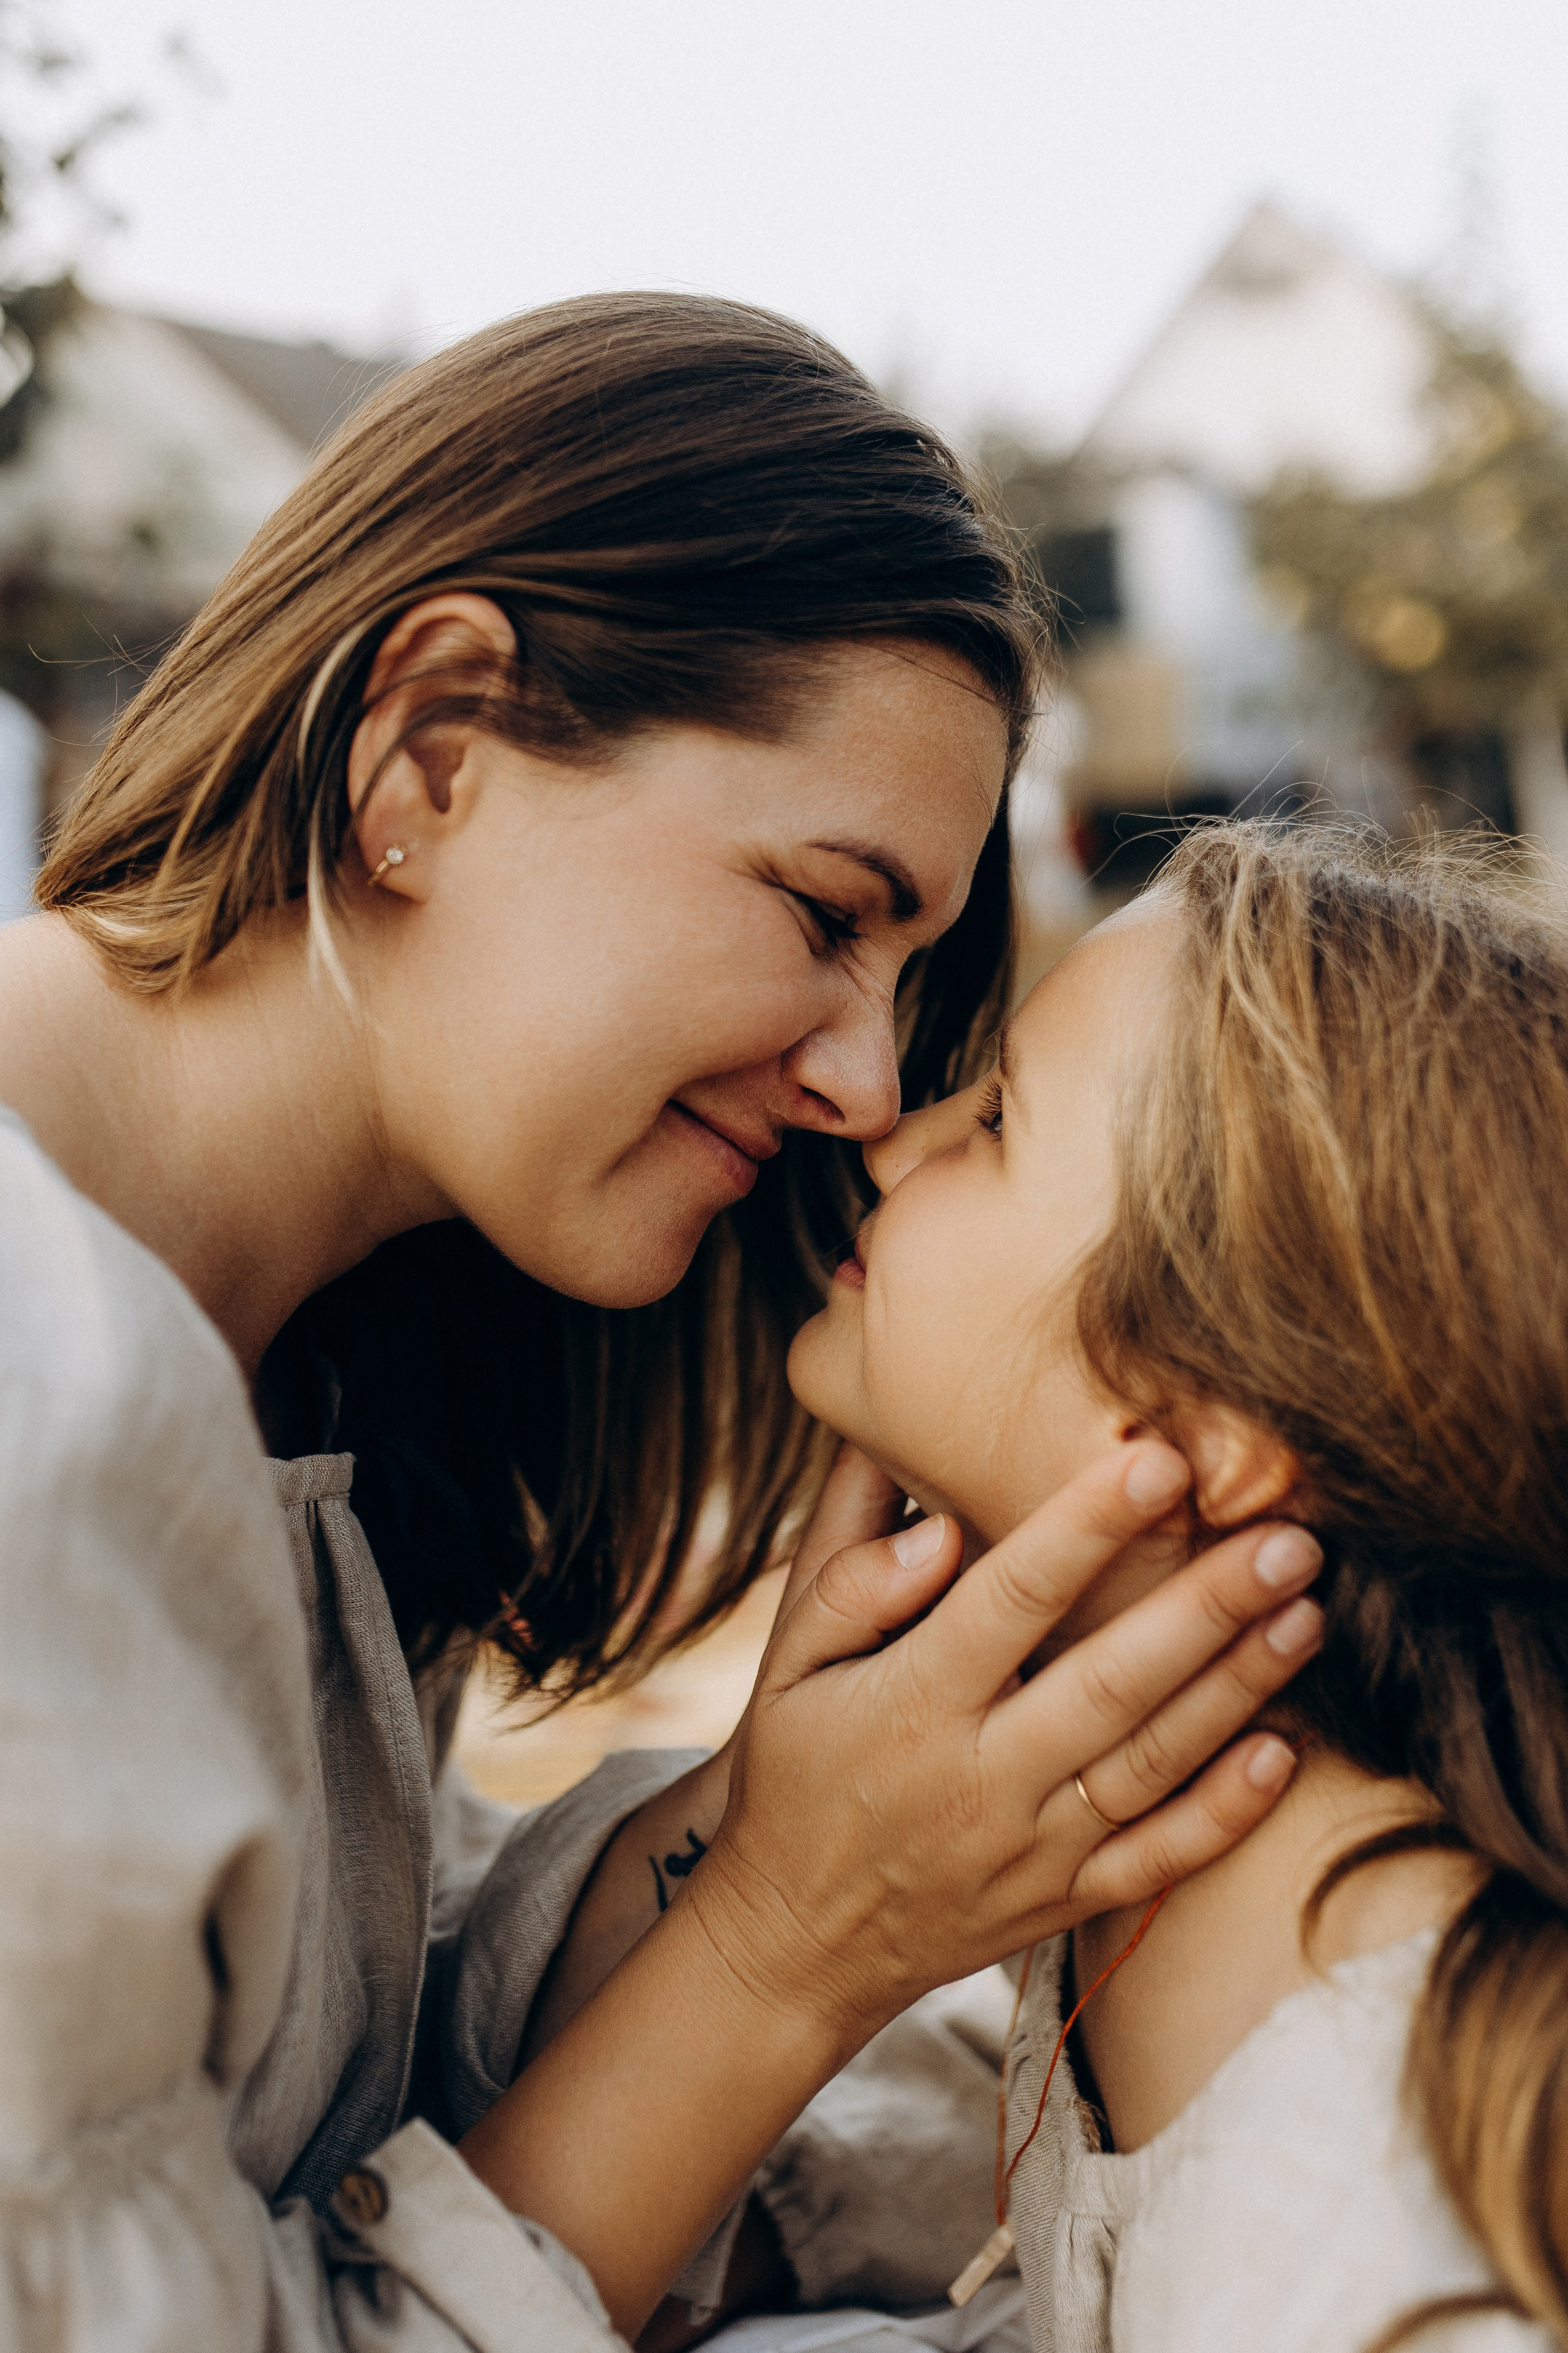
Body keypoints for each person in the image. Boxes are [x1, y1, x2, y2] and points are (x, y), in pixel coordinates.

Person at [0, 296, 1315, 2353]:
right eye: (822, 910)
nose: (871, 1092)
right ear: (433, 747)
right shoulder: (34, 1396)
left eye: (912, 971)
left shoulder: (314, 1351)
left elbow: (321, 2063)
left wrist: (826, 1820)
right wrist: (787, 1937)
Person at [788, 818, 1568, 2353]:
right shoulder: (1174, 1847)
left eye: (1000, 1117)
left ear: (1206, 1427)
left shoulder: (1358, 2198)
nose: (892, 1133)